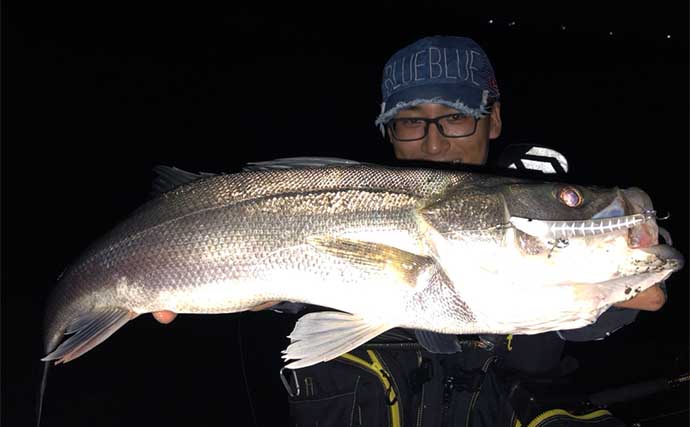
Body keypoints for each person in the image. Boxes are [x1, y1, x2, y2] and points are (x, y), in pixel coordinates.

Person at [150, 35, 666, 426]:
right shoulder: (344, 194)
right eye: (411, 121)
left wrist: (606, 304)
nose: (435, 143)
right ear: (388, 129)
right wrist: (265, 296)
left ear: (494, 120)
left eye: (456, 118)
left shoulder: (527, 188)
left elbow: (584, 313)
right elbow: (300, 282)